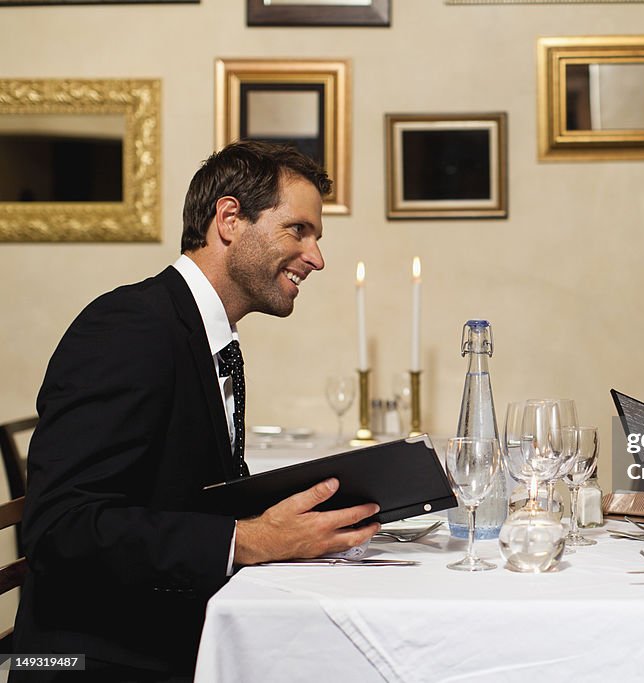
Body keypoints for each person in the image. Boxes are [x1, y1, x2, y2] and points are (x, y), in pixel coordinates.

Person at [12, 140, 381, 682]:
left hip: (171, 634)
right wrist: (253, 538)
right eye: (298, 230)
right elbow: (59, 529)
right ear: (229, 219)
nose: (317, 258)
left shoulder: (204, 334)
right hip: (103, 661)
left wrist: (339, 502)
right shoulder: (129, 328)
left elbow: (192, 491)